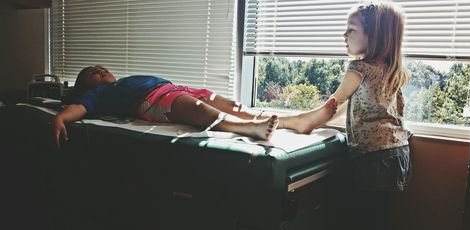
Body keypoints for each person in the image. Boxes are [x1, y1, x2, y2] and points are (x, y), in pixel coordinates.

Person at [283, 2, 412, 230]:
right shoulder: (390, 68)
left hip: (373, 158)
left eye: (351, 30)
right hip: (396, 154)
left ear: (373, 36)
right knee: (379, 221)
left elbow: (333, 105)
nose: (344, 35)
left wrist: (294, 122)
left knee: (365, 223)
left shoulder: (360, 68)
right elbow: (347, 109)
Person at [52, 66, 338, 148]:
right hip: (153, 100)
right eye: (92, 72)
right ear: (88, 86)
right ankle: (251, 129)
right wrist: (61, 118)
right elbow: (80, 107)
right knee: (201, 113)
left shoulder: (119, 80)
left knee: (235, 104)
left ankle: (296, 121)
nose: (99, 70)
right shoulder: (100, 94)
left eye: (100, 68)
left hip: (177, 87)